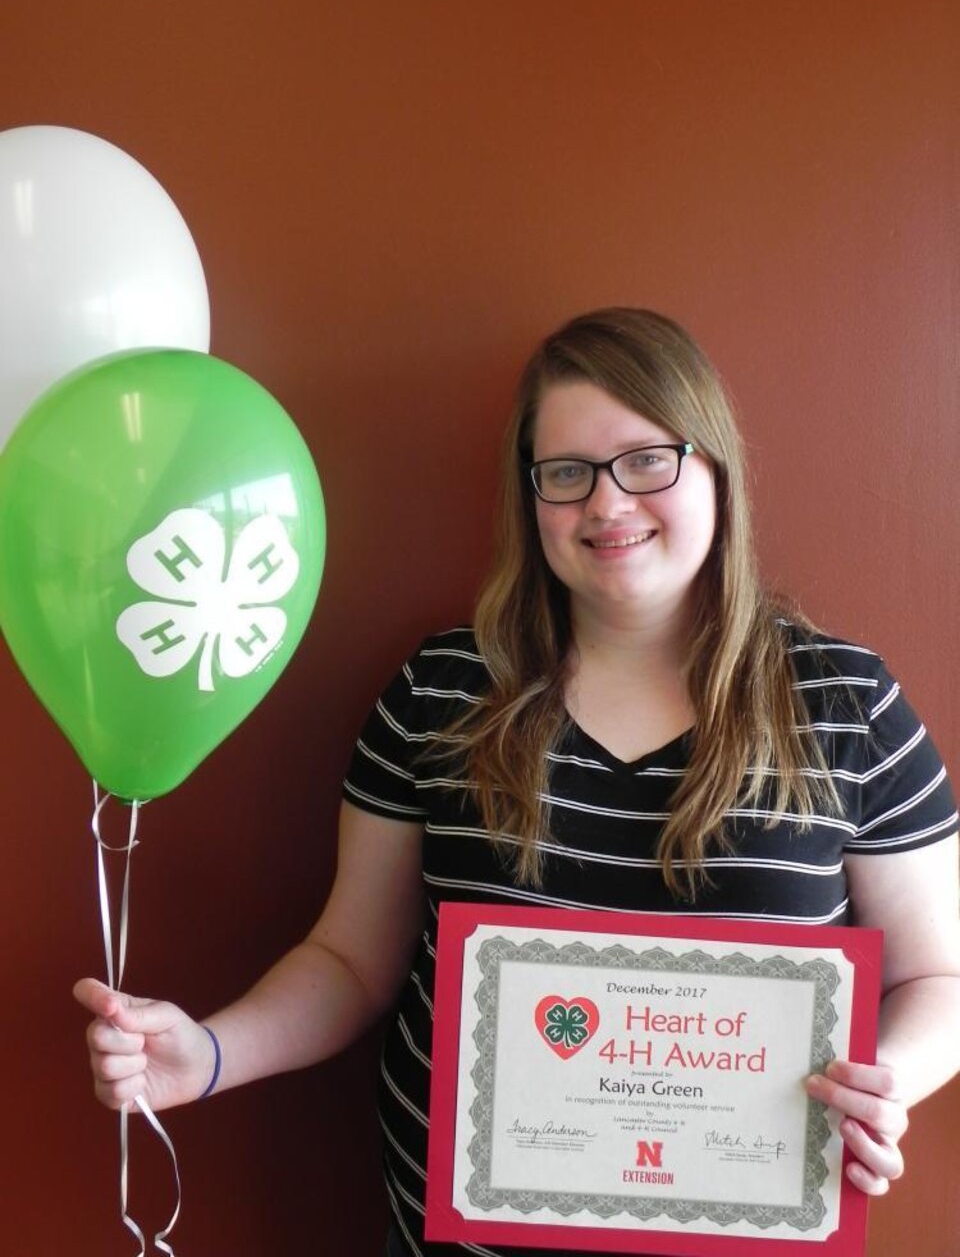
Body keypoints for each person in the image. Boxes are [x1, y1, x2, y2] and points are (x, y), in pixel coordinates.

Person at [76, 308, 960, 1257]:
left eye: (647, 460)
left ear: (715, 468)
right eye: (567, 473)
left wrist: (887, 1081)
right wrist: (208, 1055)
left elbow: (938, 977)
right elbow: (350, 963)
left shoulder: (843, 702)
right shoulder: (441, 692)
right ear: (531, 496)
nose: (608, 505)